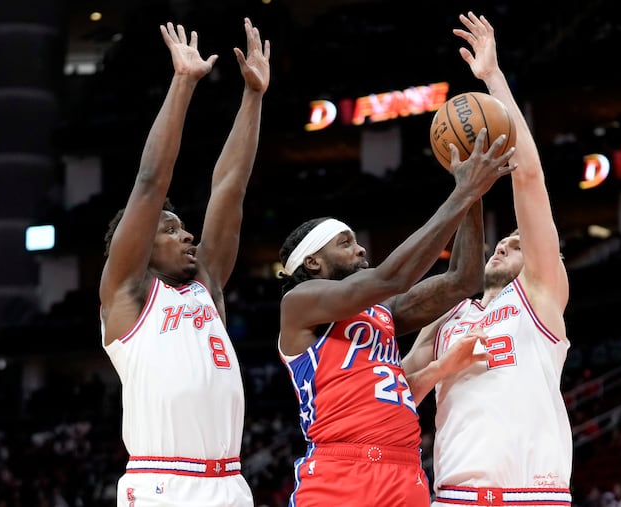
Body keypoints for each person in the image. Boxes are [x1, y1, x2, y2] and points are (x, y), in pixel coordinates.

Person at [276, 123, 516, 506]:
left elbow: (461, 280)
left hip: (405, 471)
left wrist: (475, 195)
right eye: (346, 243)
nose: (360, 251)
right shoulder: (299, 303)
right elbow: (392, 276)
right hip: (341, 472)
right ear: (313, 261)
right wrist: (462, 191)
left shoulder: (380, 312)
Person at [402, 11, 573, 507]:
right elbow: (397, 394)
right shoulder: (447, 313)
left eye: (516, 244)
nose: (502, 244)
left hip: (532, 497)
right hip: (453, 497)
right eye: (504, 241)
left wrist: (493, 79)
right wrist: (438, 370)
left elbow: (530, 179)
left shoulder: (540, 296)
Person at [99, 18, 269, 507]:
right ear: (137, 246)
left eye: (182, 226)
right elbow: (151, 182)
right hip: (163, 484)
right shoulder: (127, 294)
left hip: (231, 484)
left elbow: (230, 186)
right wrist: (183, 83)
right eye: (169, 229)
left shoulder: (205, 284)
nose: (186, 233)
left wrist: (253, 97)